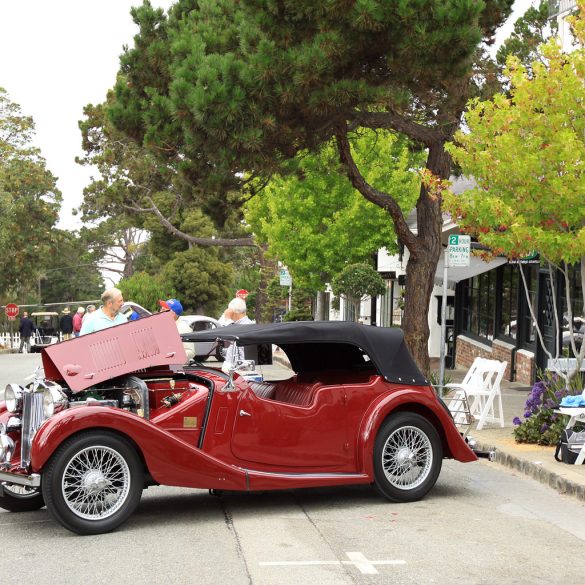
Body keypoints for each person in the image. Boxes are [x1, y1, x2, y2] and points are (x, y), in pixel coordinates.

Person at [218, 297, 254, 371]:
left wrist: (228, 318)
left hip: (242, 369)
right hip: (235, 367)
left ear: (233, 312)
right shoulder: (235, 325)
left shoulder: (246, 325)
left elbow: (234, 333)